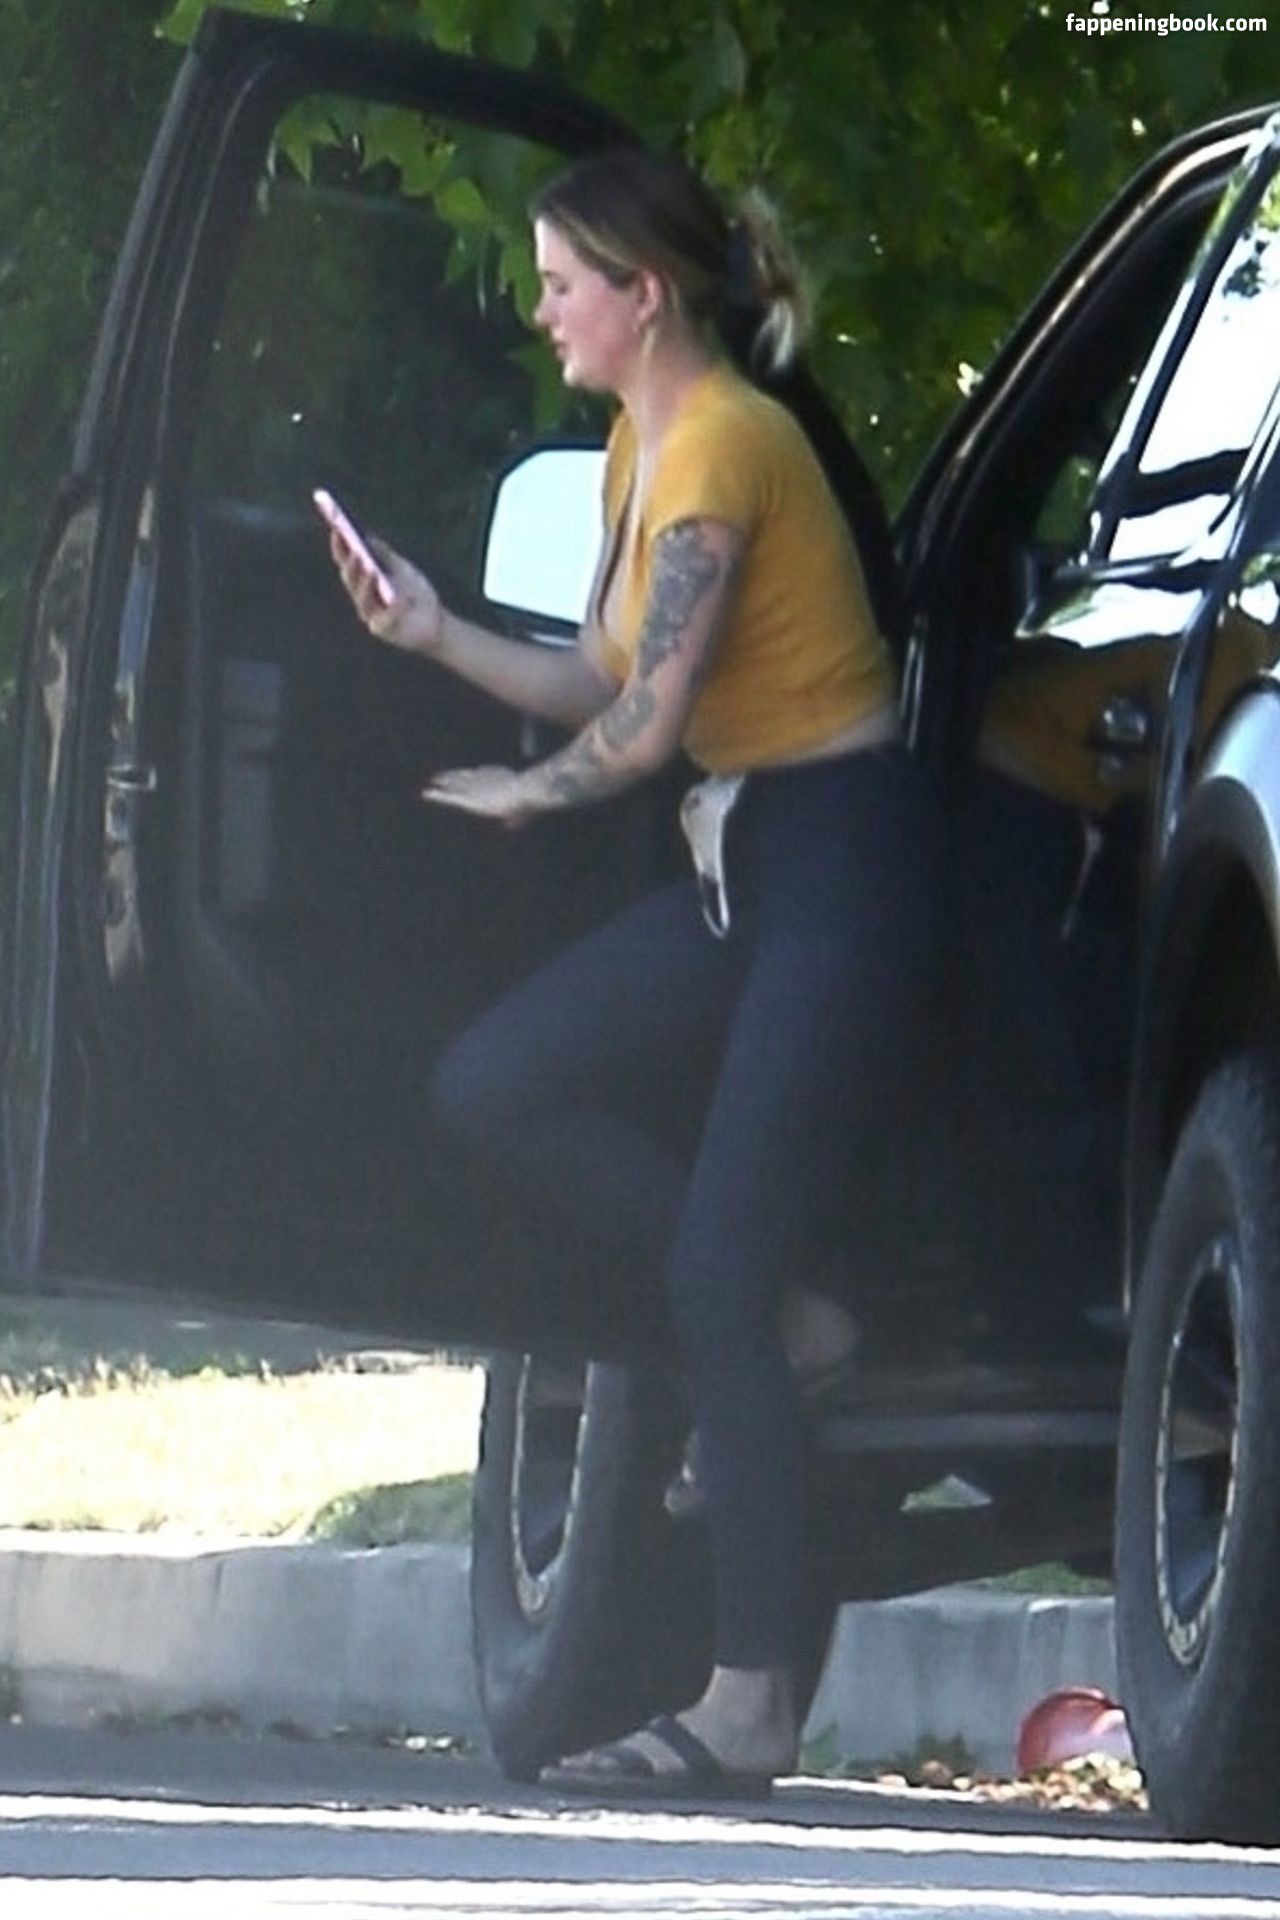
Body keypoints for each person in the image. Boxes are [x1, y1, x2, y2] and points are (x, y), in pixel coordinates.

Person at [329, 147, 941, 1796]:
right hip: (753, 862)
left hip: (844, 862)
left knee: (712, 1277)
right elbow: (603, 668)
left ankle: (750, 1700)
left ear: (642, 295)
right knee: (496, 1081)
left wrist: (529, 798)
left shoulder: (727, 441)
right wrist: (431, 631)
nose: (540, 311)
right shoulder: (635, 442)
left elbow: (644, 727)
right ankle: (797, 1322)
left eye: (559, 284)